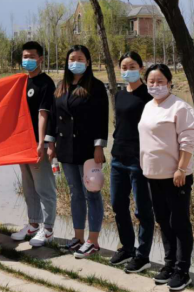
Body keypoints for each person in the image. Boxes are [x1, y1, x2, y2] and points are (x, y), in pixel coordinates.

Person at [139, 64, 194, 292]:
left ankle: (182, 271)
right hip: (153, 175)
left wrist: (181, 169)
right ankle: (169, 264)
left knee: (179, 222)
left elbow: (188, 141)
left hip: (176, 176)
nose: (155, 85)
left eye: (160, 81)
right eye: (151, 81)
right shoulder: (148, 106)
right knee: (163, 221)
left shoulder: (180, 107)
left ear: (170, 83)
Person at [45, 45, 108, 259]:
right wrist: (51, 144)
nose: (75, 62)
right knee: (75, 193)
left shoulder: (96, 87)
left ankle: (93, 241)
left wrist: (99, 146)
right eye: (72, 58)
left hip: (88, 148)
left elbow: (102, 118)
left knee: (92, 192)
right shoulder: (61, 86)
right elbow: (53, 117)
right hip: (66, 149)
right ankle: (78, 238)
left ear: (88, 62)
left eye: (80, 58)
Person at [110, 52, 156, 273]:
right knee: (118, 205)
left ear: (141, 68)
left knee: (142, 209)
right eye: (124, 67)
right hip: (118, 158)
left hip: (139, 160)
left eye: (132, 66)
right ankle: (127, 248)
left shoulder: (149, 96)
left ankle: (143, 255)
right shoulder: (119, 94)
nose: (128, 70)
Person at [11, 42, 57, 248]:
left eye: (31, 56)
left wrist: (41, 143)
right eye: (24, 56)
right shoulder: (21, 82)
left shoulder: (46, 83)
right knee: (28, 186)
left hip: (37, 144)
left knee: (44, 187)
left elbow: (43, 114)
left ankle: (48, 229)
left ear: (40, 59)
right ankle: (33, 224)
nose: (27, 60)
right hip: (22, 144)